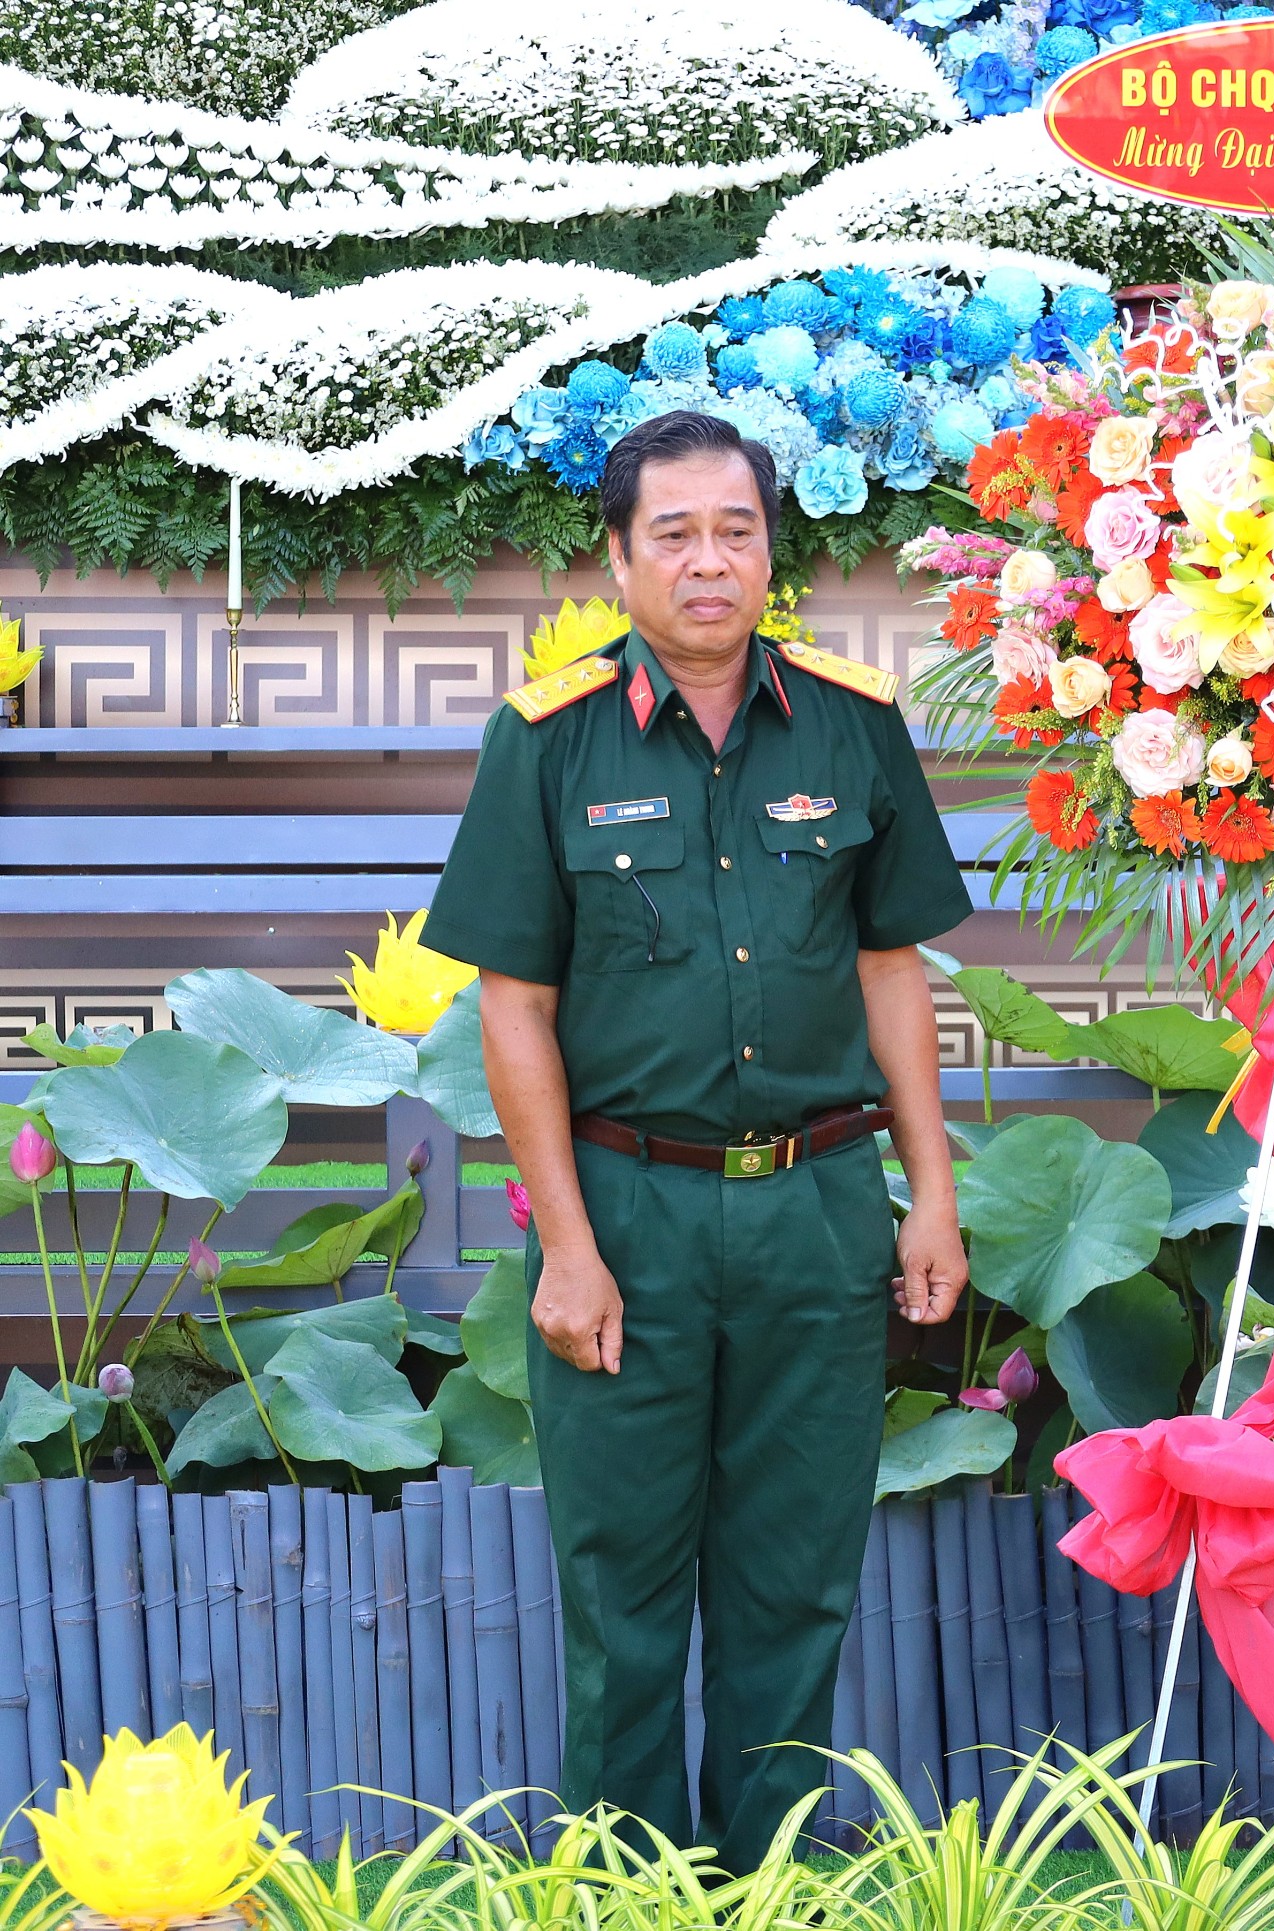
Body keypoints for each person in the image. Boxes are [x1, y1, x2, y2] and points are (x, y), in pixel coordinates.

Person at [421, 410, 973, 1869]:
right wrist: (566, 1249)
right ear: (618, 559)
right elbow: (515, 1009)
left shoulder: (852, 726)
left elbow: (892, 972)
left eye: (736, 530)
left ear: (772, 550)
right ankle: (622, 1885)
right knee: (623, 1582)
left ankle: (777, 1877)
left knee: (797, 1577)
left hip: (815, 1207)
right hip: (629, 1210)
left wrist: (931, 1198)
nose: (708, 561)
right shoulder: (544, 741)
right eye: (673, 533)